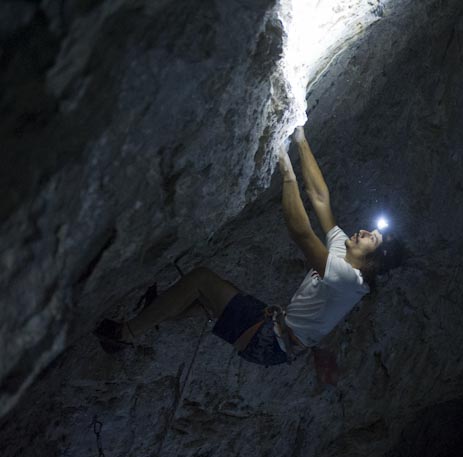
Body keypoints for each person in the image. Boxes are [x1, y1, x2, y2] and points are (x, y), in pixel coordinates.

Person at [94, 126, 402, 367]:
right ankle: (157, 311)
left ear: (371, 263)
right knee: (207, 299)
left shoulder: (349, 281)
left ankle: (124, 335)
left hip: (270, 342)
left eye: (371, 238)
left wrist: (286, 172)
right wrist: (301, 138)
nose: (363, 231)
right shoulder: (343, 252)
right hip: (276, 330)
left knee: (202, 280)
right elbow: (321, 198)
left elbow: (301, 232)